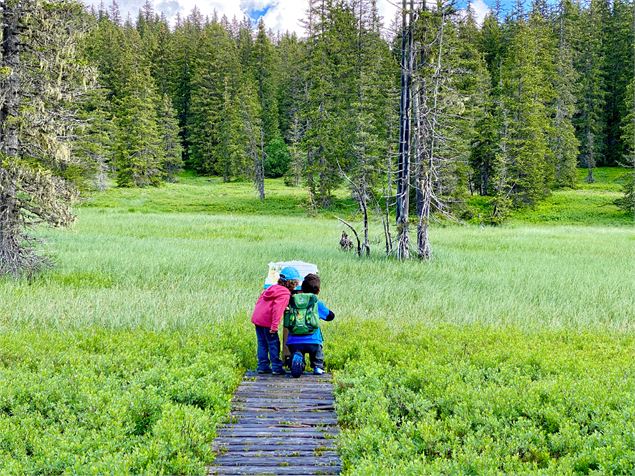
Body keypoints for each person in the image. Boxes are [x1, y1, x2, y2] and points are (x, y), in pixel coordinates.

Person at [251, 266, 302, 375]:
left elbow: (260, 301)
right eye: (296, 282)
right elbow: (277, 310)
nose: (297, 285)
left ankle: (263, 366)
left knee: (262, 343)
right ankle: (276, 367)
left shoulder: (271, 288)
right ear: (291, 283)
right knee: (273, 343)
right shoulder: (285, 293)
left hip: (258, 319)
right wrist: (274, 326)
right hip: (267, 322)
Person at [285, 273, 335, 377]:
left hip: (294, 341)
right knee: (317, 351)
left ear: (302, 288)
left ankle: (298, 360)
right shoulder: (316, 303)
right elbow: (330, 316)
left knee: (296, 351)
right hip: (313, 340)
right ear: (318, 291)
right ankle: (318, 367)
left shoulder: (293, 300)